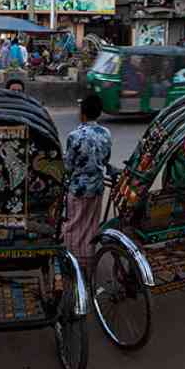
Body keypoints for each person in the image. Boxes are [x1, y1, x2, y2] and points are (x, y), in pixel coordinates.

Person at [63, 95, 114, 277]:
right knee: (90, 227)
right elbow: (106, 159)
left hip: (78, 189)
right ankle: (88, 264)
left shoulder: (74, 136)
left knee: (73, 226)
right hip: (98, 188)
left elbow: (68, 166)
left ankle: (73, 264)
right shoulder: (106, 134)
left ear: (82, 114)